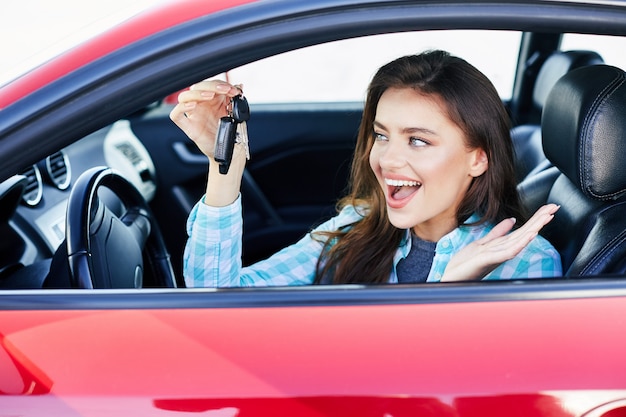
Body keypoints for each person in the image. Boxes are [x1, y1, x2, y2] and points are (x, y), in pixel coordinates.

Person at [170, 50, 562, 287]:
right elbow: (217, 296)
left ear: (479, 157)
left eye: (418, 140)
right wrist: (225, 163)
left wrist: (449, 290)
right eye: (381, 135)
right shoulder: (355, 227)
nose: (387, 159)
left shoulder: (524, 262)